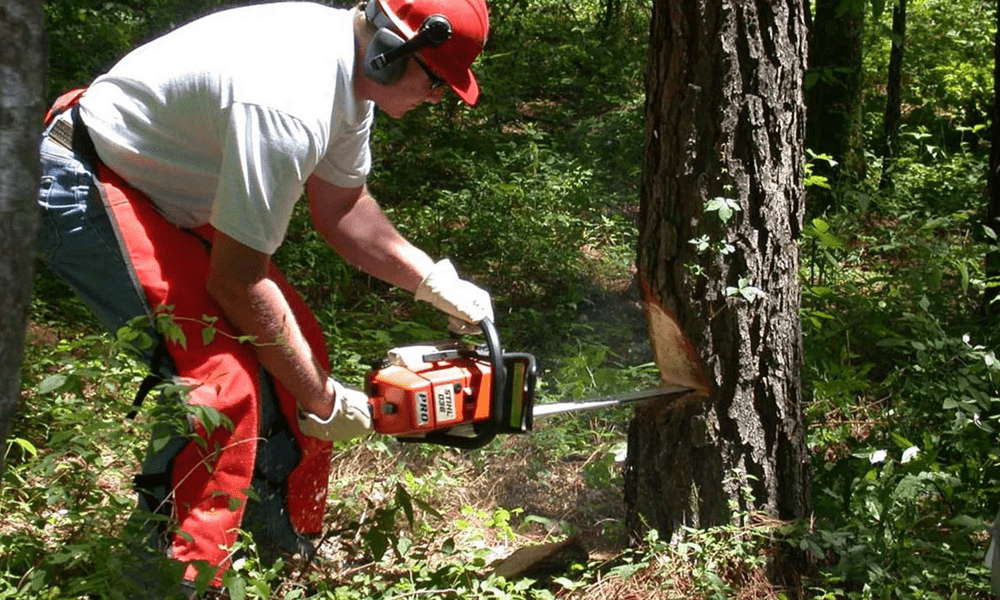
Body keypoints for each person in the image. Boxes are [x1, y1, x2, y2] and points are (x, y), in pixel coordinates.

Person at [37, 0, 493, 595]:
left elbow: (343, 209)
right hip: (88, 175)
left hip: (167, 192)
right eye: (436, 82)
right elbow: (238, 280)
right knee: (221, 391)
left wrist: (433, 280)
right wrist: (324, 401)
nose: (439, 99)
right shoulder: (290, 101)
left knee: (302, 352)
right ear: (388, 52)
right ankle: (170, 583)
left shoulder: (350, 81)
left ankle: (275, 553)